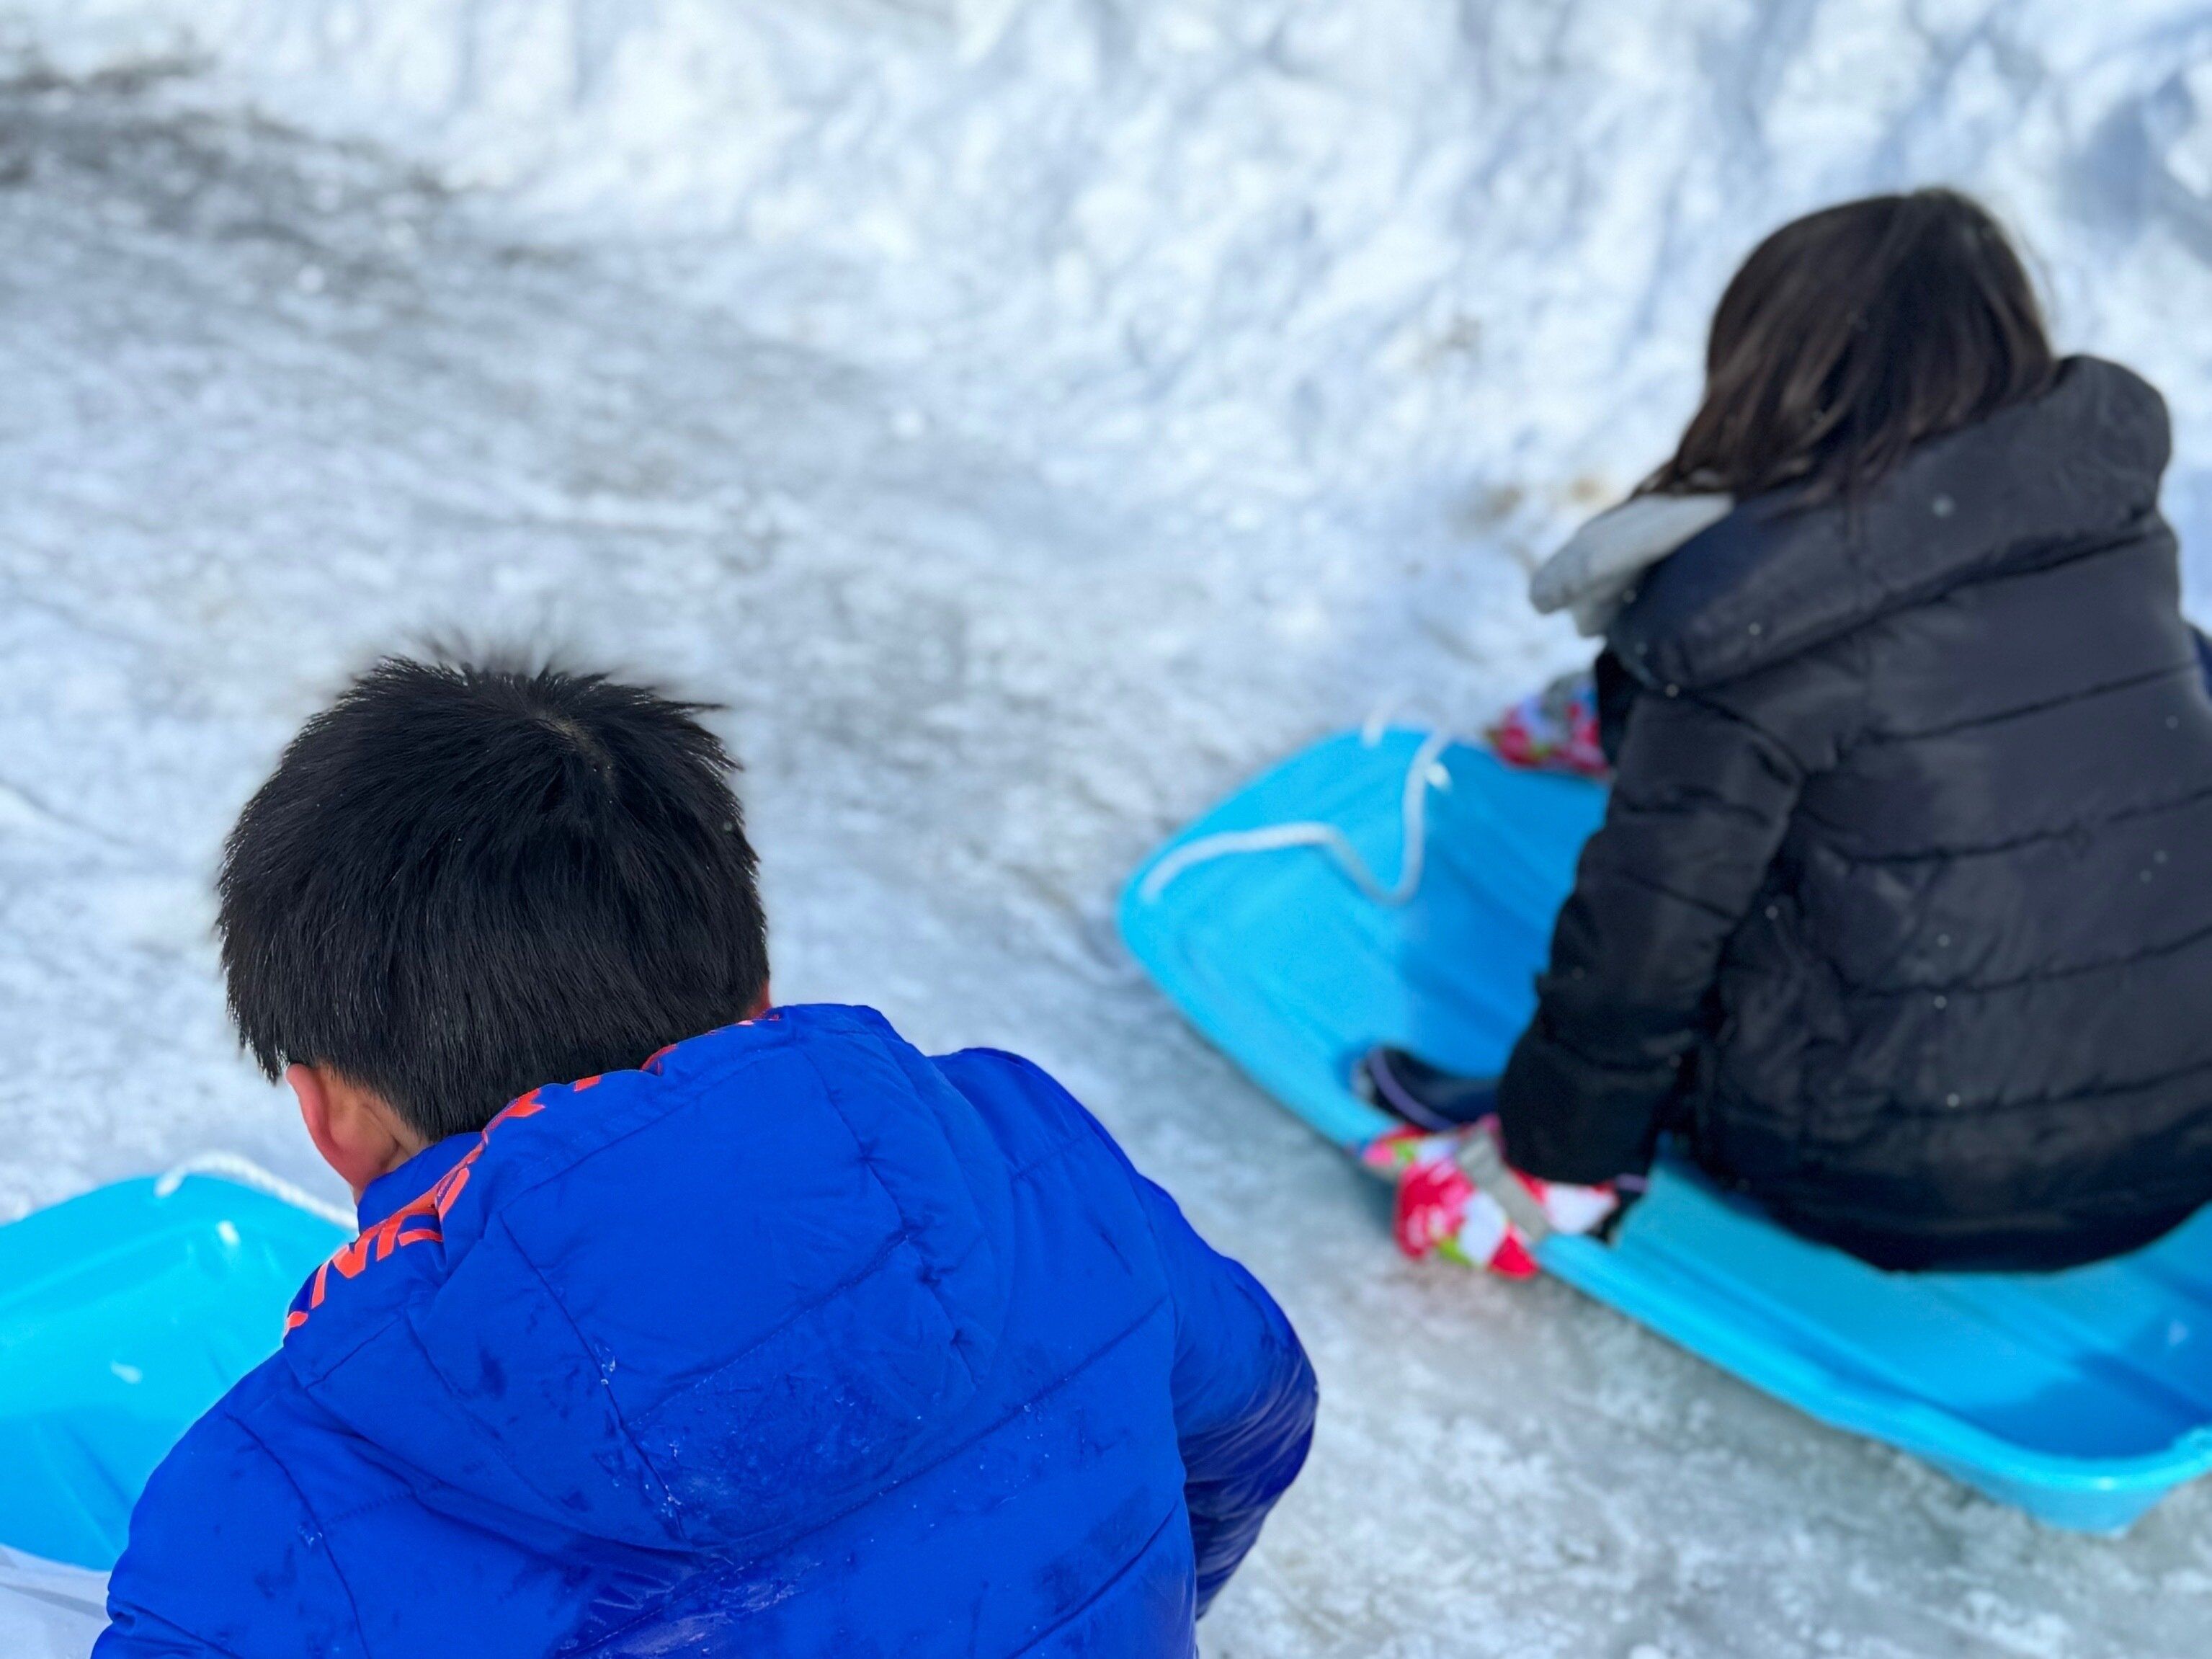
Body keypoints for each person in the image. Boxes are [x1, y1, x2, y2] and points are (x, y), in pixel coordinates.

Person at [98, 659, 1316, 1658]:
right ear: (759, 997)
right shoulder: (1028, 1158)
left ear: (327, 1114)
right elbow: (1250, 1417)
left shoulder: (263, 1512)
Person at [1365, 188, 2212, 1273]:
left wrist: (1550, 1155)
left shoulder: (1746, 639)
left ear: (1771, 369)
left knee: (1722, 850)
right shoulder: (2114, 540)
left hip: (1897, 1177)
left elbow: (1642, 947)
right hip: (2179, 1146)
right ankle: (1620, 722)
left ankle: (1628, 751)